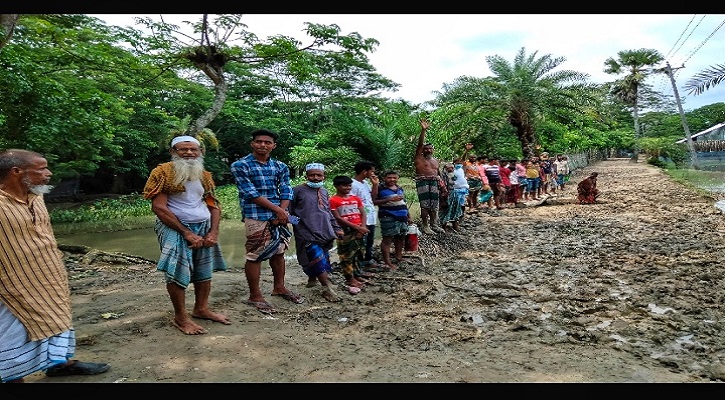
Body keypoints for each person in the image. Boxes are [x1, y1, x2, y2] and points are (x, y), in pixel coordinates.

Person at [0, 149, 110, 383]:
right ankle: (13, 378)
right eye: (41, 169)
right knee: (13, 332)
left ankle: (60, 363)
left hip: (49, 274)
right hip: (12, 284)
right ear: (16, 172)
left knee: (58, 316)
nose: (48, 174)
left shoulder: (36, 196)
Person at [142, 135, 231, 335]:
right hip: (175, 228)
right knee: (176, 270)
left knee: (204, 269)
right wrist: (186, 233)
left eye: (193, 149)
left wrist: (213, 232)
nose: (189, 153)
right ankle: (181, 317)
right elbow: (159, 207)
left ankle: (201, 308)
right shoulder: (163, 172)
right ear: (173, 152)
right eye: (183, 149)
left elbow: (214, 206)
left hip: (204, 225)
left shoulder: (204, 175)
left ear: (200, 152)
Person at [230, 129, 304, 314]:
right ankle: (255, 295)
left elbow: (286, 189)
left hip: (279, 216)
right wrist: (279, 210)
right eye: (259, 142)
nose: (263, 145)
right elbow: (250, 193)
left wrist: (283, 211)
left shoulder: (280, 166)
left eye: (267, 142)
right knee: (255, 256)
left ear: (273, 146)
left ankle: (279, 287)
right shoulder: (241, 165)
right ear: (252, 143)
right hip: (256, 216)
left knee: (279, 252)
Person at [289, 163, 342, 302]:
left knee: (322, 258)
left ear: (324, 176)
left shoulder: (324, 191)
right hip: (306, 233)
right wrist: (299, 225)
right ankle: (326, 288)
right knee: (316, 258)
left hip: (324, 231)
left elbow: (328, 212)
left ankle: (312, 279)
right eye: (312, 175)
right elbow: (287, 212)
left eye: (319, 175)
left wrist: (336, 228)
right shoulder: (297, 190)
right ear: (306, 176)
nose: (315, 178)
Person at [329, 175, 369, 294]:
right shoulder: (333, 200)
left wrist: (363, 227)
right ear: (336, 186)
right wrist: (357, 227)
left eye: (349, 185)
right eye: (344, 185)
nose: (347, 188)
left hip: (359, 230)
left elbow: (363, 212)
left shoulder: (355, 198)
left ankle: (357, 274)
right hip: (345, 231)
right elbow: (338, 218)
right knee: (346, 255)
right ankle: (349, 278)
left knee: (358, 253)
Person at [374, 170, 412, 270]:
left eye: (394, 178)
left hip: (402, 217)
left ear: (398, 178)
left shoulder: (400, 188)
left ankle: (398, 257)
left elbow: (404, 203)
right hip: (388, 216)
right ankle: (387, 262)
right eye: (389, 177)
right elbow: (374, 201)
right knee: (387, 239)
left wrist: (409, 216)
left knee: (400, 237)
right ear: (384, 178)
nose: (392, 180)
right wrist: (389, 199)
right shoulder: (379, 188)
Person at [413, 118, 445, 234]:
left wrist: (443, 186)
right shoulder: (419, 158)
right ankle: (425, 225)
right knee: (425, 205)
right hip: (423, 182)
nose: (428, 150)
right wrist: (423, 130)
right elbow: (420, 144)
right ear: (423, 150)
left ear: (433, 150)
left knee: (434, 205)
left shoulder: (436, 161)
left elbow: (438, 173)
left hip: (434, 183)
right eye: (426, 148)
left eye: (430, 148)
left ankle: (434, 224)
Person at [351, 160, 382, 270]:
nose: (373, 173)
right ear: (365, 172)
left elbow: (373, 199)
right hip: (361, 219)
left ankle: (368, 260)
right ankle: (358, 264)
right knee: (360, 242)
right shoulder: (352, 184)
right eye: (372, 171)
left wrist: (375, 185)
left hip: (371, 217)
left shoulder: (365, 183)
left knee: (369, 240)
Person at [439, 160, 468, 233]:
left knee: (456, 210)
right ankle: (444, 226)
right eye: (449, 168)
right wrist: (443, 199)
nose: (451, 169)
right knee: (445, 210)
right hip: (446, 195)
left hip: (454, 194)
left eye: (452, 168)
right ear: (445, 168)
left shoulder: (453, 175)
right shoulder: (443, 176)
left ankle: (455, 225)